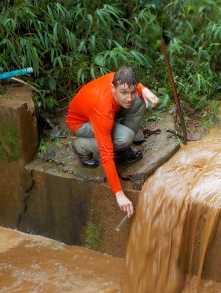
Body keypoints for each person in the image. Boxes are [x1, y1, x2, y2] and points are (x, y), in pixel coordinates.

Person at [66, 66, 159, 218]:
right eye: (124, 93)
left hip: (105, 110)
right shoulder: (102, 111)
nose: (129, 98)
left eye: (132, 91)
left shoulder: (118, 79)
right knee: (124, 138)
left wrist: (143, 90)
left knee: (141, 100)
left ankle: (122, 149)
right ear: (113, 88)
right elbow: (106, 155)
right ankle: (80, 146)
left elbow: (131, 87)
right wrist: (119, 194)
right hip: (82, 124)